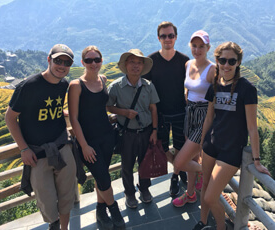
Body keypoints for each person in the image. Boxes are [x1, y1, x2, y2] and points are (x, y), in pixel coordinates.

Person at [192, 42, 271, 230]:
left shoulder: (247, 89)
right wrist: (202, 145)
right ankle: (203, 222)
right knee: (204, 188)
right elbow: (209, 118)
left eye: (231, 61)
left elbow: (252, 127)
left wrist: (257, 160)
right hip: (211, 145)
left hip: (231, 151)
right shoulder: (215, 86)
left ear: (238, 63)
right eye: (222, 60)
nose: (226, 65)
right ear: (217, 61)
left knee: (211, 196)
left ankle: (222, 227)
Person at [5, 44, 77, 230]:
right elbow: (10, 117)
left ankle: (63, 228)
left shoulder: (64, 85)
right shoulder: (28, 86)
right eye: (58, 61)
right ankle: (53, 225)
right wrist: (24, 148)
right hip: (37, 153)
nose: (62, 66)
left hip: (62, 146)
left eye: (67, 62)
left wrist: (65, 113)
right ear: (48, 60)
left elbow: (53, 108)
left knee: (67, 195)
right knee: (45, 198)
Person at [68, 46, 125, 229]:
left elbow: (102, 109)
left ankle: (100, 210)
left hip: (107, 137)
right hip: (88, 142)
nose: (93, 63)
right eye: (89, 60)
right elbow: (74, 118)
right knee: (104, 178)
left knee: (102, 178)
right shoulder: (76, 86)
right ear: (82, 62)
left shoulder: (103, 79)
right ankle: (114, 210)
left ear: (101, 61)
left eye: (97, 59)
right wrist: (84, 146)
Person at [107, 49, 159, 209]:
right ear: (126, 65)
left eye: (139, 63)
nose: (135, 66)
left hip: (146, 132)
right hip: (127, 133)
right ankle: (129, 193)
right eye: (132, 62)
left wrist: (155, 131)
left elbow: (153, 109)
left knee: (145, 163)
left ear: (143, 66)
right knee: (127, 165)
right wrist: (124, 112)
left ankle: (144, 189)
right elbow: (109, 106)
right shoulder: (116, 87)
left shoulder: (148, 86)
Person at [144, 21, 190, 196]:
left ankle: (176, 176)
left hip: (180, 112)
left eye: (171, 35)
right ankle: (180, 168)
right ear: (158, 38)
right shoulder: (151, 61)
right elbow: (145, 89)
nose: (167, 39)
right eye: (163, 35)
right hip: (159, 114)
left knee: (180, 146)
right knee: (161, 148)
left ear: (176, 37)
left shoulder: (185, 61)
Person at [172, 30, 215, 207]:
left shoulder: (212, 69)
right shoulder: (188, 64)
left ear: (208, 47)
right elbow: (189, 87)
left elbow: (216, 97)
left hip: (204, 116)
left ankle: (206, 173)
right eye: (194, 46)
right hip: (189, 113)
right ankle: (190, 194)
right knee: (194, 157)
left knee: (179, 162)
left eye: (201, 46)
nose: (197, 50)